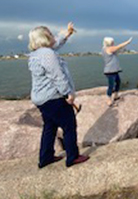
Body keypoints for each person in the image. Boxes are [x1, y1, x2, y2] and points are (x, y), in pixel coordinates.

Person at [28, 22, 89, 168]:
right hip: (53, 98)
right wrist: (68, 94)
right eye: (49, 33)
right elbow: (58, 76)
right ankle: (72, 157)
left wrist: (67, 34)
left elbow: (56, 44)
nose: (53, 35)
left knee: (50, 127)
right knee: (69, 126)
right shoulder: (48, 54)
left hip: (41, 99)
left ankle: (45, 158)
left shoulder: (37, 53)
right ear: (45, 37)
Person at [101, 37, 132, 106]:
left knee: (118, 82)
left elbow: (118, 49)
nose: (113, 43)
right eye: (112, 42)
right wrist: (127, 42)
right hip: (110, 71)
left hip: (114, 70)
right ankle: (109, 100)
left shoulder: (105, 49)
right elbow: (119, 46)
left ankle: (116, 96)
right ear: (109, 43)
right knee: (111, 86)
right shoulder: (108, 48)